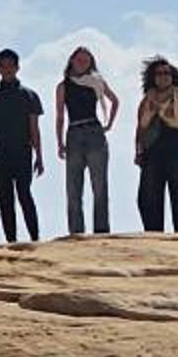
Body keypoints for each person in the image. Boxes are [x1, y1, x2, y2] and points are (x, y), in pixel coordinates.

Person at [0, 49, 45, 243]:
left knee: (24, 194)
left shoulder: (29, 96)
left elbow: (34, 128)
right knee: (5, 200)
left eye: (10, 65)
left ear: (17, 67)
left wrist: (39, 156)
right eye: (3, 66)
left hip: (23, 152)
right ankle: (11, 241)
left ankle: (35, 238)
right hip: (0, 154)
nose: (7, 69)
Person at [57, 45, 121, 236]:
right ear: (71, 61)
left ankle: (101, 230)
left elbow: (115, 100)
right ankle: (76, 231)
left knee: (99, 185)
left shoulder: (96, 82)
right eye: (79, 60)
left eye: (86, 60)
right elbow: (60, 116)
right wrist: (59, 142)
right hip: (74, 133)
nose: (82, 63)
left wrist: (109, 124)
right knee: (73, 187)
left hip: (94, 132)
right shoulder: (63, 86)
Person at [134, 55, 178, 233]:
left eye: (167, 73)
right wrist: (138, 151)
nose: (164, 76)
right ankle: (153, 235)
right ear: (152, 77)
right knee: (148, 196)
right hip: (152, 152)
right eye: (159, 73)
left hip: (177, 150)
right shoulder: (147, 100)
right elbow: (140, 128)